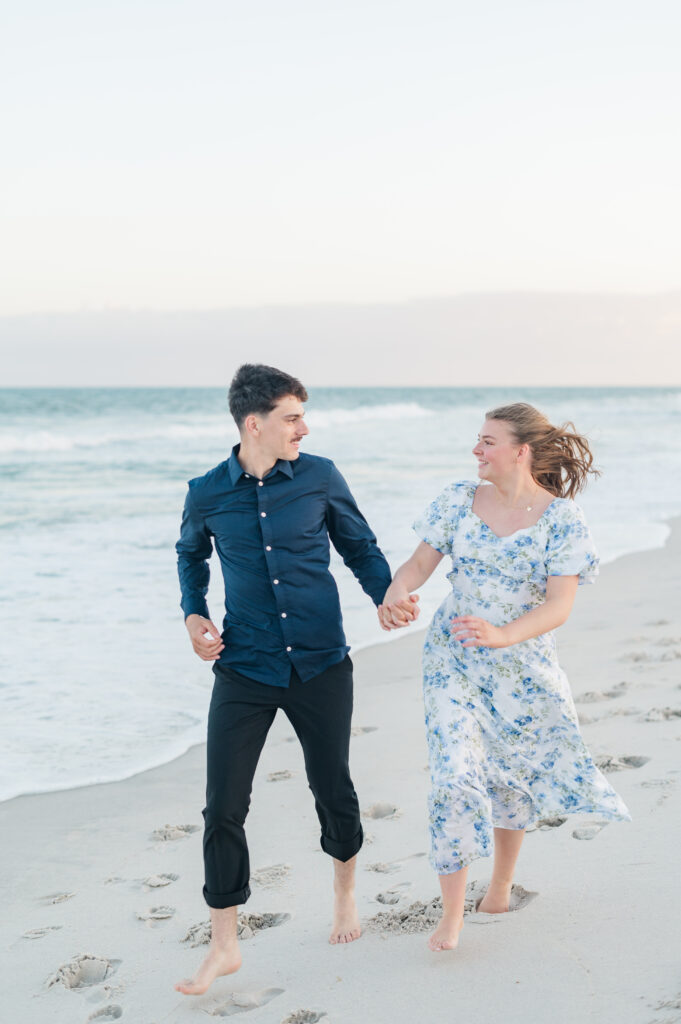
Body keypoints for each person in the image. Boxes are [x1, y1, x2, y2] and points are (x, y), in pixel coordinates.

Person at [174, 363, 417, 995]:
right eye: (291, 418)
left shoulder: (320, 476)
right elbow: (190, 553)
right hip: (244, 669)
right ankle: (223, 945)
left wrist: (383, 596)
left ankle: (344, 895)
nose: (302, 429)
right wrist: (193, 612)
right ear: (253, 424)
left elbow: (358, 546)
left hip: (320, 662)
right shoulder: (207, 491)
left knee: (331, 785)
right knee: (223, 804)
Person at [379, 402, 630, 953]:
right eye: (478, 439)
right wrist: (396, 592)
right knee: (452, 773)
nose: (477, 450)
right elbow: (419, 565)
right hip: (452, 656)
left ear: (521, 451)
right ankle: (450, 914)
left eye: (488, 441)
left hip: (521, 665)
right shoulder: (457, 500)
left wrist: (503, 635)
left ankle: (500, 884)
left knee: (509, 776)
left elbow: (559, 606)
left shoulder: (563, 519)